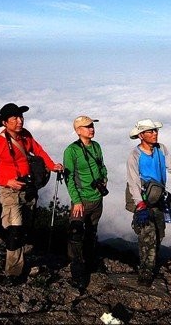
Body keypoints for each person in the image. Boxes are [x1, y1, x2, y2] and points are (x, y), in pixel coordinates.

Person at [0, 102, 63, 283]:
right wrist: (6, 181)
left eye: (21, 117)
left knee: (25, 229)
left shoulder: (25, 136)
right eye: (15, 118)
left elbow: (38, 150)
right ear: (4, 122)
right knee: (15, 230)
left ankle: (21, 259)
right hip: (9, 191)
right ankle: (13, 273)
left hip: (28, 188)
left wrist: (51, 165)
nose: (20, 121)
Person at [126, 118, 171, 286]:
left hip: (158, 199)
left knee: (159, 234)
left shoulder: (161, 149)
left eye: (155, 131)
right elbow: (133, 181)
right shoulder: (135, 155)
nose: (155, 134)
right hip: (143, 199)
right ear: (141, 135)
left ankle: (148, 268)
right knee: (149, 236)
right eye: (150, 131)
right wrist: (140, 204)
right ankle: (145, 275)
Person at [63, 115, 108, 290]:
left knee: (91, 232)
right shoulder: (71, 151)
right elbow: (69, 178)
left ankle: (89, 264)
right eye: (87, 126)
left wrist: (104, 180)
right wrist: (76, 201)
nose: (92, 129)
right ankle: (77, 272)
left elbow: (102, 166)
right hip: (81, 200)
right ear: (78, 130)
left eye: (92, 126)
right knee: (75, 234)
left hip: (97, 199)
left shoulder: (96, 147)